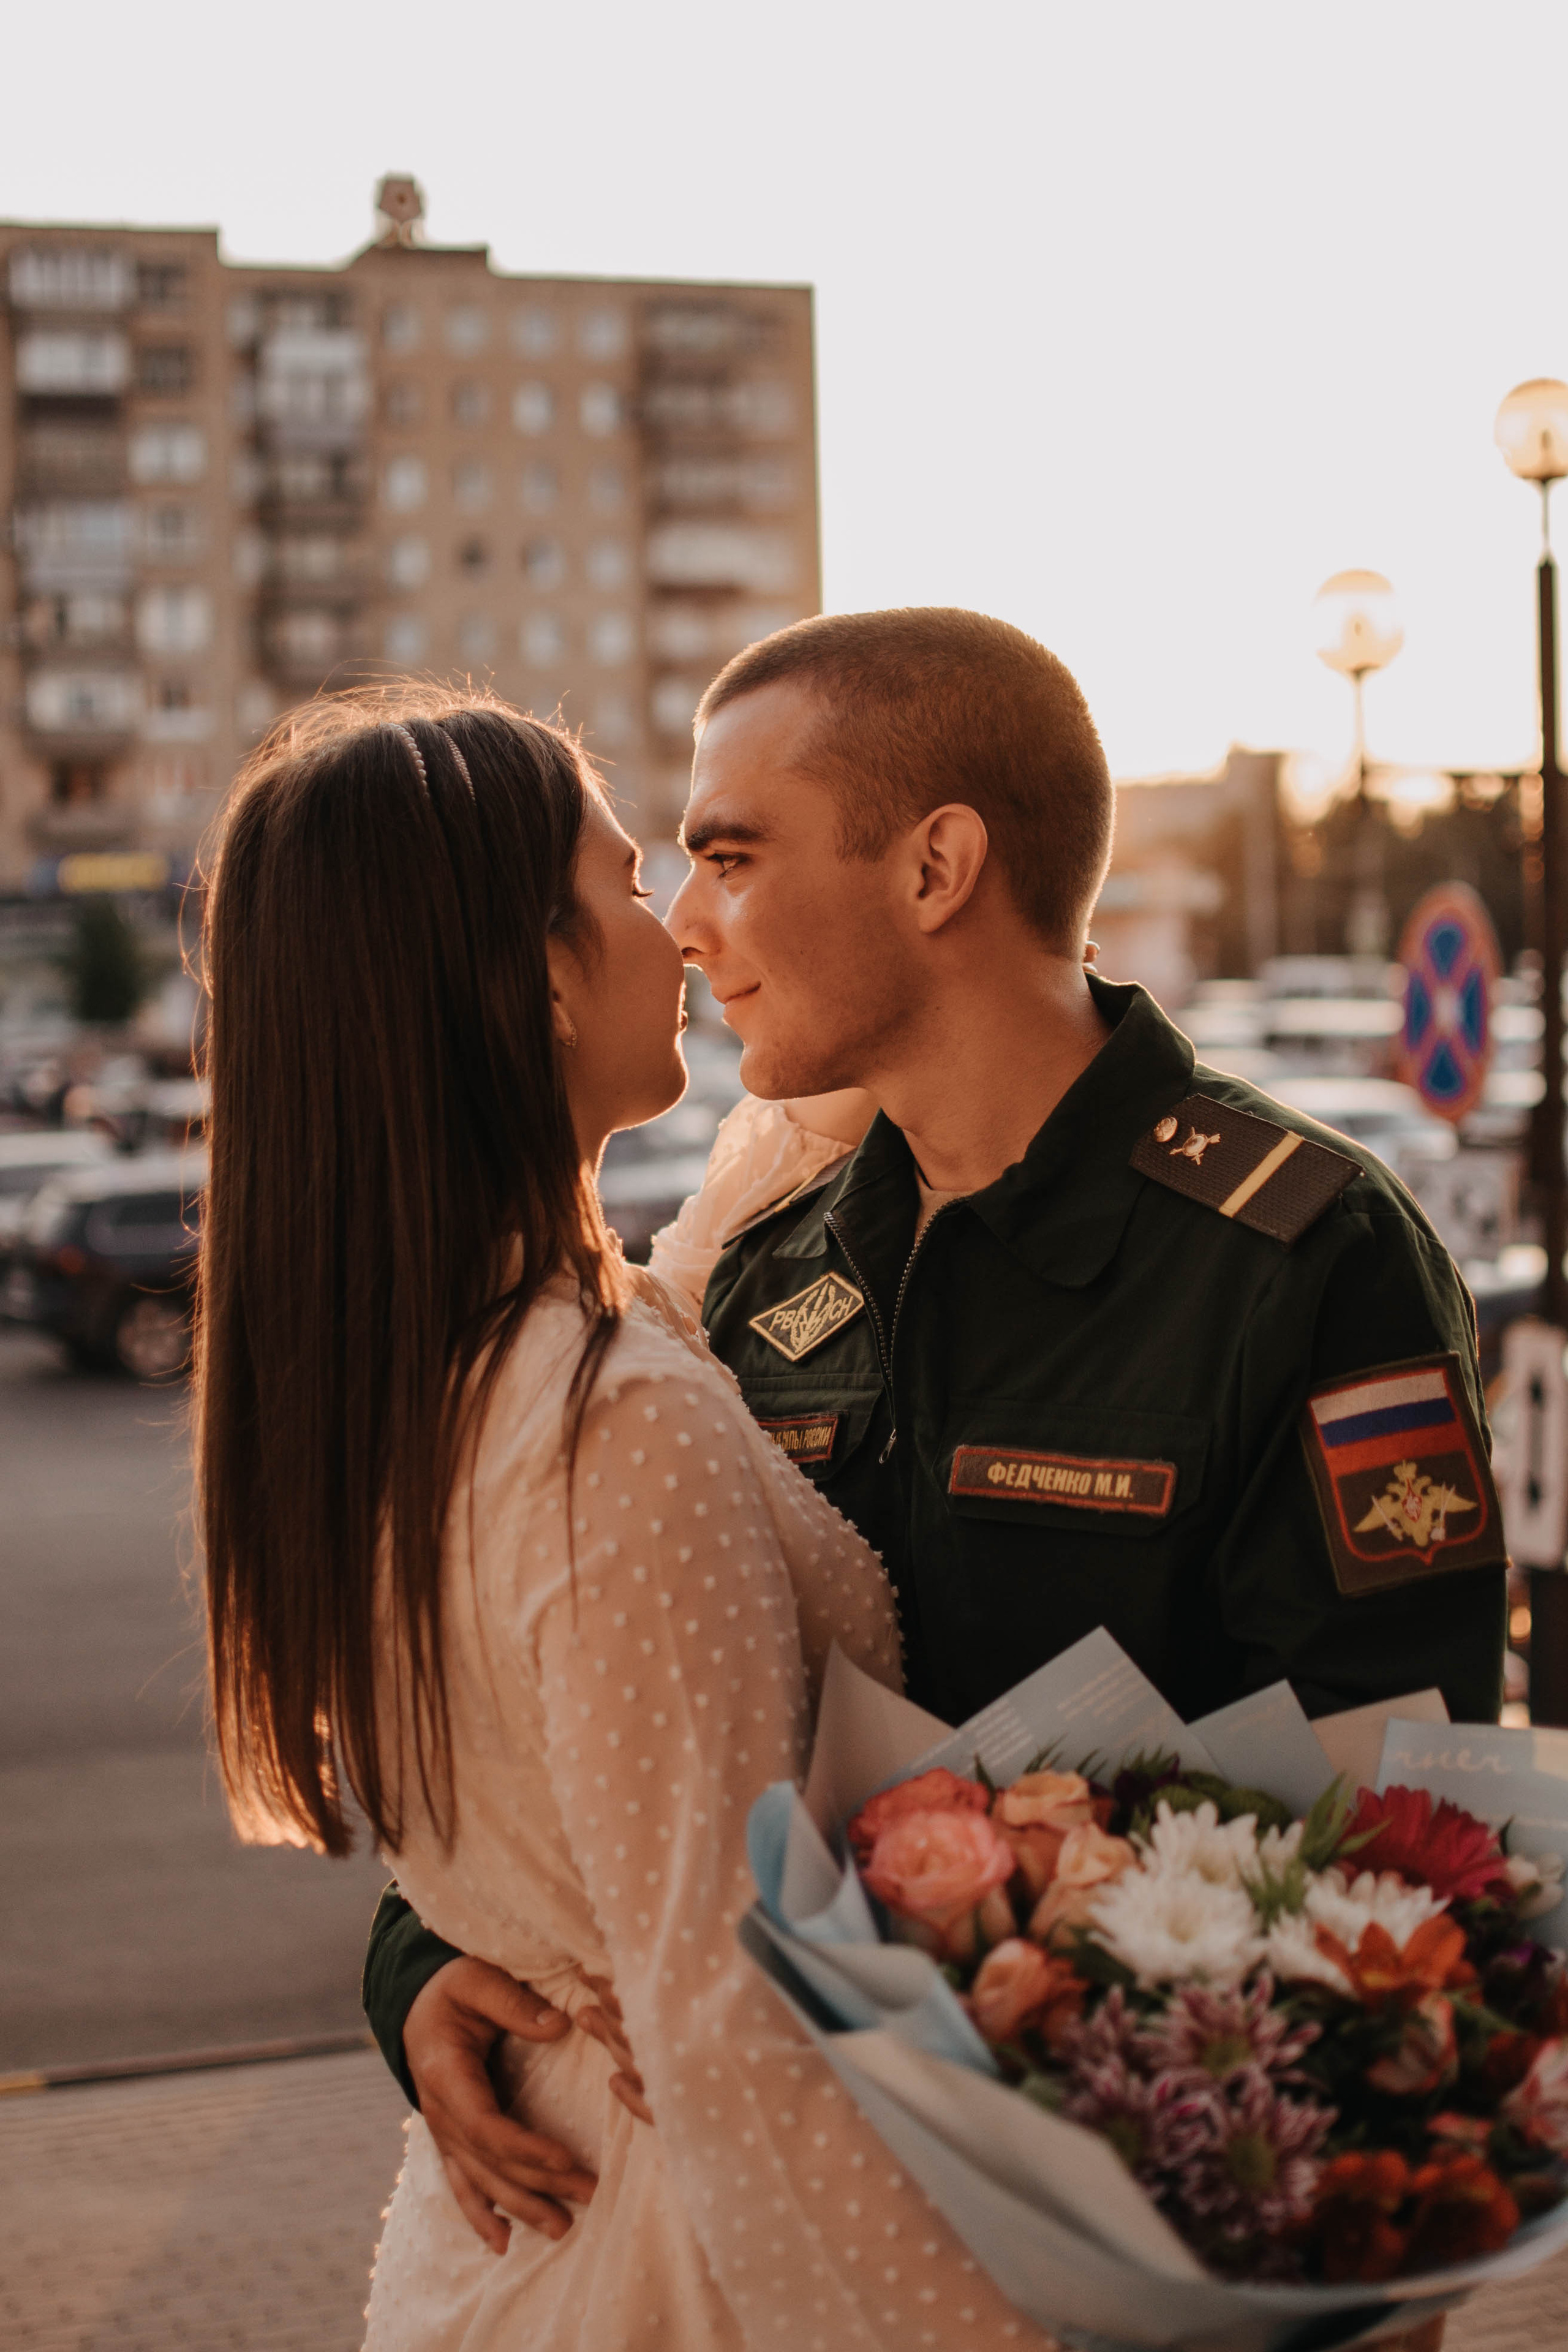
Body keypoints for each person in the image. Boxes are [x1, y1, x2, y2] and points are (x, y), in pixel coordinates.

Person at [362, 609, 1507, 2268]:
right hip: (803, 2210)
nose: (687, 923)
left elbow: (1401, 1803)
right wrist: (419, 1966)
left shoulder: (1300, 1252)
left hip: (1135, 2217)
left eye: (735, 856)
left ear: (936, 868)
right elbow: (595, 1698)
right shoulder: (764, 1274)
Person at [198, 686, 1052, 2350]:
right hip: (694, 2262)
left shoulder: (414, 1363)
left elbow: (738, 1196)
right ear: (526, 970)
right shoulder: (606, 1422)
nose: (676, 926)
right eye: (627, 881)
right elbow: (741, 2034)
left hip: (530, 2234)